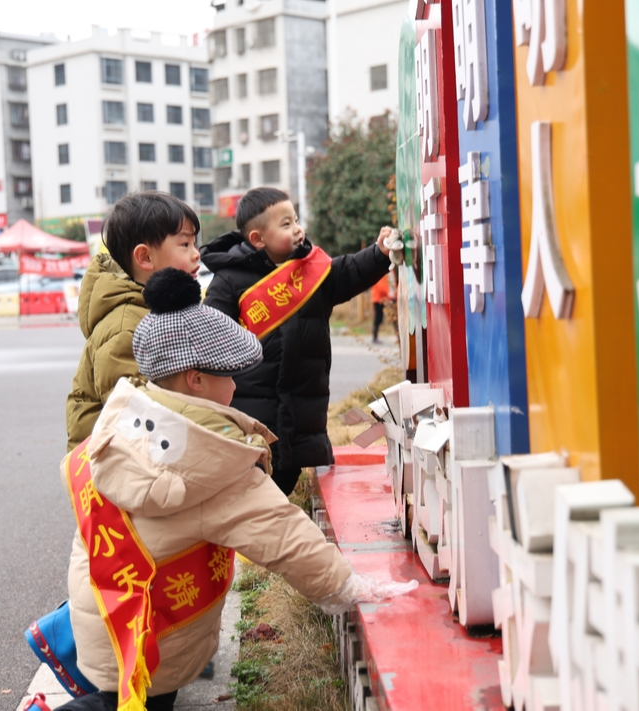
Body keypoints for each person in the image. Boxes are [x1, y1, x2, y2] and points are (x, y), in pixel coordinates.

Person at [56, 268, 417, 711]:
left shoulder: (129, 412)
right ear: (195, 379)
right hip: (158, 630)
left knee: (130, 699)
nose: (236, 386)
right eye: (230, 376)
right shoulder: (213, 461)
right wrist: (348, 586)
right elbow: (285, 536)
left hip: (110, 612)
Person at [200, 188, 395, 495]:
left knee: (283, 485)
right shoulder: (229, 280)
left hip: (302, 412)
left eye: (295, 220)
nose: (297, 229)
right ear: (257, 239)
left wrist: (379, 253)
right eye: (286, 224)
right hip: (252, 413)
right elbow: (210, 334)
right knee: (254, 495)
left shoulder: (312, 270)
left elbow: (348, 273)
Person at [65, 191, 202, 452]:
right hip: (123, 467)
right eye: (185, 245)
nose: (196, 254)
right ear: (145, 258)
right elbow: (134, 415)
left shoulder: (161, 310)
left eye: (195, 244)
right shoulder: (125, 326)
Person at [370, 272, 395, 344]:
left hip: (387, 298)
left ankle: (398, 336)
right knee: (378, 318)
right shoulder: (381, 269)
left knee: (393, 317)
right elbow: (380, 285)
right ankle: (374, 337)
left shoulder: (390, 271)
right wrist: (389, 293)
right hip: (379, 298)